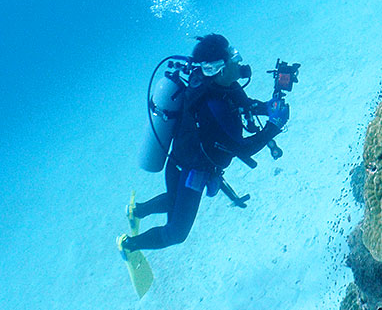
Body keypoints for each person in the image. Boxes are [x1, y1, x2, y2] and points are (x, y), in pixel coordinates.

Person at [117, 34, 289, 254]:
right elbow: (244, 148)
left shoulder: (226, 86)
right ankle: (127, 245)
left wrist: (267, 107)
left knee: (174, 200)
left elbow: (245, 105)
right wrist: (274, 125)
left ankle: (136, 210)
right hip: (189, 171)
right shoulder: (211, 108)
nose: (238, 60)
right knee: (176, 233)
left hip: (186, 164)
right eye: (232, 56)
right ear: (219, 68)